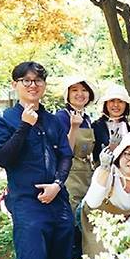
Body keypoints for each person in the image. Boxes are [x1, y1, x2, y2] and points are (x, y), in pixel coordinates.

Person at [0, 61, 74, 259]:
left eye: (37, 80)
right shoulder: (3, 119)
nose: (32, 85)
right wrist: (25, 126)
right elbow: (4, 158)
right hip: (27, 202)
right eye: (26, 80)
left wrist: (58, 184)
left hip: (58, 200)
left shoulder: (53, 120)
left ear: (44, 85)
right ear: (15, 84)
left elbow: (65, 155)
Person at [81, 132, 130, 258]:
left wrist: (121, 238)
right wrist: (104, 170)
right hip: (96, 224)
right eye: (128, 154)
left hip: (124, 228)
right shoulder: (105, 172)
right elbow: (92, 203)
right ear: (119, 156)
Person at [55, 76, 98, 215]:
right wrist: (74, 127)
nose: (80, 94)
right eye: (74, 90)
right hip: (69, 173)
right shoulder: (61, 116)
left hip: (86, 172)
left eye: (84, 90)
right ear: (67, 94)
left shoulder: (87, 119)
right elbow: (63, 150)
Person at [92, 84, 130, 164]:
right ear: (106, 104)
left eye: (120, 101)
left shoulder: (128, 126)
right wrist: (110, 148)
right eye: (112, 101)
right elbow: (95, 155)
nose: (116, 105)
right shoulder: (96, 126)